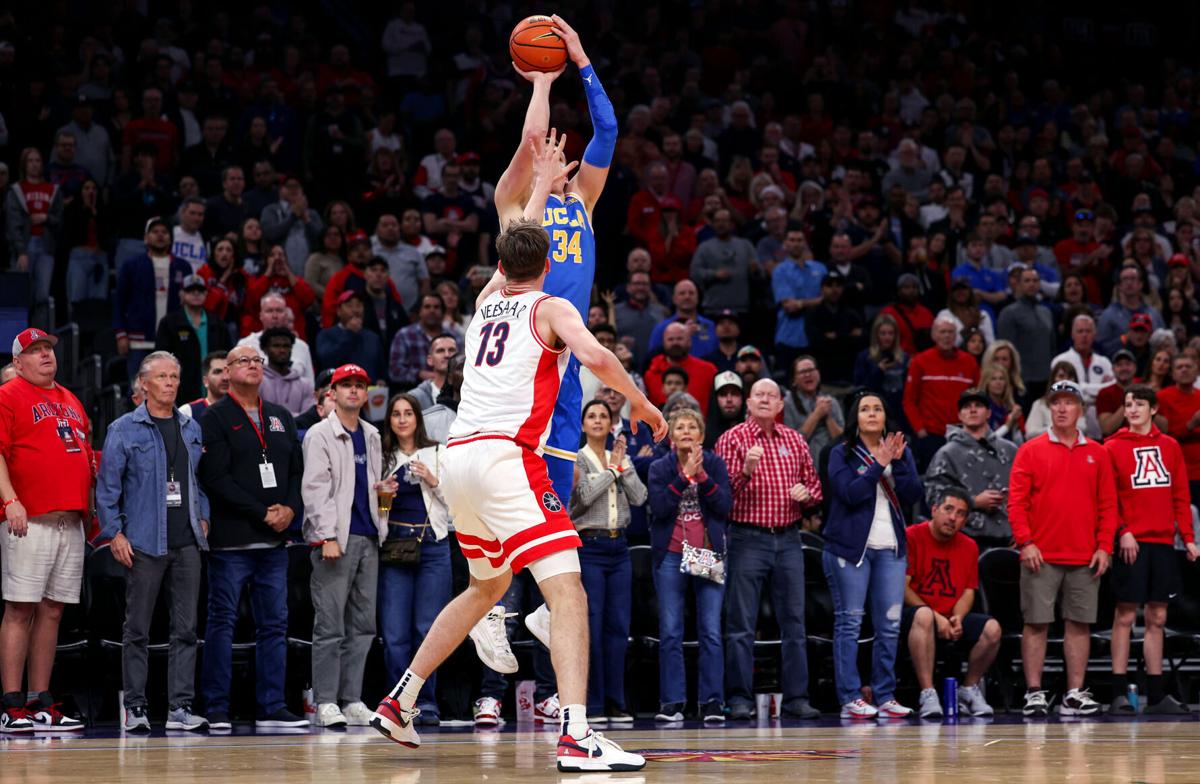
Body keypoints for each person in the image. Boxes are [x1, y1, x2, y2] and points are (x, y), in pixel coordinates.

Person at [371, 136, 663, 773]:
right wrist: (640, 403)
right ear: (551, 259)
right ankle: (578, 734)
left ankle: (401, 699)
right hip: (509, 458)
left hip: (459, 462)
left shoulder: (482, 302)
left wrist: (539, 183)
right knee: (569, 593)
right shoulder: (553, 306)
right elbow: (598, 357)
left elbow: (519, 240)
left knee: (486, 586)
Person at [479, 15, 616, 513]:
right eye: (541, 153)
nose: (550, 154)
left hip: (568, 351)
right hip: (523, 346)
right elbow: (533, 135)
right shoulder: (512, 202)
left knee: (556, 493)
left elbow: (608, 129)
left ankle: (546, 577)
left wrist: (580, 61)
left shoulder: (583, 201)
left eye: (559, 153)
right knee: (511, 483)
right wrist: (540, 82)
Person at [96, 351, 209, 732]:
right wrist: (114, 533)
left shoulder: (190, 428)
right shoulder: (123, 429)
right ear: (143, 384)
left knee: (187, 630)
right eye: (162, 377)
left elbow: (197, 480)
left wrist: (204, 516)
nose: (171, 383)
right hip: (143, 542)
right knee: (138, 630)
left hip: (187, 541)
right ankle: (136, 707)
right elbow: (107, 489)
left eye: (175, 376)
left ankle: (180, 708)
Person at [197, 344, 308, 730]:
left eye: (257, 361)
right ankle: (215, 708)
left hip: (275, 544)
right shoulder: (214, 418)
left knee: (275, 624)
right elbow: (215, 478)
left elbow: (297, 471)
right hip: (232, 542)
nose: (253, 366)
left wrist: (291, 509)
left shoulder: (279, 417)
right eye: (243, 360)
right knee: (222, 623)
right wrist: (262, 513)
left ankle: (272, 707)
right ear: (226, 372)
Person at [0, 329, 91, 732]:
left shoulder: (71, 400)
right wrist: (9, 500)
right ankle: (11, 703)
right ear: (18, 363)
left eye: (48, 349)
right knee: (20, 607)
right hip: (28, 517)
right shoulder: (9, 395)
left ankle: (40, 700)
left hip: (69, 519)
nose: (45, 355)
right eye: (35, 351)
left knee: (52, 610)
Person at [715, 379, 823, 721]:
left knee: (794, 623)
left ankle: (797, 699)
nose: (765, 399)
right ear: (748, 403)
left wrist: (807, 496)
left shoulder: (794, 439)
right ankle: (740, 698)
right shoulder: (732, 439)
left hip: (789, 538)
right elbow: (720, 496)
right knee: (741, 624)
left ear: (780, 405)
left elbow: (815, 487)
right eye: (758, 394)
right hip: (747, 539)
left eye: (771, 395)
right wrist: (745, 471)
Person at [1008, 380, 1115, 718]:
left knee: (1079, 624)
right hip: (1041, 554)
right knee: (1036, 623)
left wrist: (1104, 546)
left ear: (1081, 410)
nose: (1062, 408)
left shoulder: (1098, 452)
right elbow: (1016, 502)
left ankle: (1073, 693)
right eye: (1056, 403)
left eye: (1069, 402)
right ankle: (1035, 692)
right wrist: (1025, 542)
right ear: (1049, 408)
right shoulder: (1030, 449)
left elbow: (1108, 505)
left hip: (1085, 556)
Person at [823, 391, 923, 720]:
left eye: (877, 408)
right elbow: (849, 494)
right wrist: (878, 464)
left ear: (884, 416)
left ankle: (884, 694)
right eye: (864, 409)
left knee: (890, 626)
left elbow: (913, 495)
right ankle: (850, 695)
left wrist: (896, 463)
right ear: (856, 417)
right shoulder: (841, 453)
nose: (871, 413)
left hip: (891, 548)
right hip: (850, 549)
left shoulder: (899, 452)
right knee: (850, 622)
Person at [302, 364, 389, 728]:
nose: (353, 391)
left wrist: (384, 506)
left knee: (363, 624)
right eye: (346, 385)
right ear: (331, 393)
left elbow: (375, 487)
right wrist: (326, 536)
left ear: (366, 394)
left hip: (369, 537)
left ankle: (352, 698)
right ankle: (325, 701)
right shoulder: (320, 434)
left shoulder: (371, 433)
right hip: (336, 538)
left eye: (359, 385)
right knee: (329, 625)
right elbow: (315, 488)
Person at [1104, 384, 1199, 715]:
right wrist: (1122, 531)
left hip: (1162, 542)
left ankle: (1157, 694)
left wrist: (1188, 539)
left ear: (1153, 409)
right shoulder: (1112, 446)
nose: (1131, 409)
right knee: (1126, 615)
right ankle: (1119, 692)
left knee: (1158, 616)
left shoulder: (1170, 446)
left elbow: (1180, 496)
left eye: (1139, 404)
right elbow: (1107, 498)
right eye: (1128, 404)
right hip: (1131, 541)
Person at [647, 407, 731, 722]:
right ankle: (673, 702)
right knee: (670, 630)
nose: (685, 431)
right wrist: (684, 477)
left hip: (706, 552)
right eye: (679, 426)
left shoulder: (716, 464)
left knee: (710, 630)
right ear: (671, 434)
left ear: (701, 435)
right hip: (670, 553)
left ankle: (711, 701)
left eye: (691, 427)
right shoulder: (659, 467)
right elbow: (659, 507)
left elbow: (724, 506)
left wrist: (703, 476)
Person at [377, 393, 452, 726]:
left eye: (409, 413)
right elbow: (378, 512)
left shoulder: (437, 452)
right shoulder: (382, 454)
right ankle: (397, 703)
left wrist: (433, 481)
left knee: (428, 629)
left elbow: (456, 502)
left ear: (418, 419)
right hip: (394, 546)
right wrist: (382, 497)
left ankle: (426, 702)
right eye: (396, 414)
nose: (403, 419)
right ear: (389, 420)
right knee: (394, 634)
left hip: (433, 546)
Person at [569, 400, 647, 722]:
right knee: (593, 626)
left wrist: (622, 467)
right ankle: (594, 702)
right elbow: (584, 498)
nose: (598, 420)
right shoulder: (577, 459)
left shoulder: (622, 458)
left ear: (611, 423)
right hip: (590, 547)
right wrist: (612, 471)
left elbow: (640, 497)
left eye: (604, 416)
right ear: (583, 425)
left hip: (620, 549)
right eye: (592, 416)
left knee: (618, 627)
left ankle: (617, 699)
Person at [903, 488, 999, 719]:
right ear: (934, 510)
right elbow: (902, 587)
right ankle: (928, 693)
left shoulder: (969, 546)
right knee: (924, 616)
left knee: (992, 629)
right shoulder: (911, 536)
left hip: (948, 615)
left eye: (960, 514)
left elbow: (968, 592)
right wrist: (937, 617)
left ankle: (968, 688)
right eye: (948, 510)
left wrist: (957, 618)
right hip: (915, 617)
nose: (953, 518)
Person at [924, 389, 1019, 549]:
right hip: (966, 537)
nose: (973, 410)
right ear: (960, 415)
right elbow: (933, 497)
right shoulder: (947, 453)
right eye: (967, 407)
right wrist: (973, 502)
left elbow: (1029, 493)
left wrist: (1024, 532)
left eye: (978, 405)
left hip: (1010, 538)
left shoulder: (1010, 450)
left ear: (988, 413)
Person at [115, 217, 193, 379]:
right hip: (139, 341)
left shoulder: (183, 267)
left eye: (164, 232)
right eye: (155, 232)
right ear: (145, 237)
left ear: (171, 238)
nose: (160, 235)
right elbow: (119, 302)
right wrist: (121, 334)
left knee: (171, 389)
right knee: (138, 390)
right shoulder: (131, 265)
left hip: (173, 340)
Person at [902, 317, 981, 470]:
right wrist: (920, 430)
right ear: (934, 335)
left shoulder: (969, 362)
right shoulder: (920, 361)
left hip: (962, 434)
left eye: (950, 332)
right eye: (942, 332)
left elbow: (978, 399)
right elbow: (909, 400)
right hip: (931, 435)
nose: (946, 336)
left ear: (956, 336)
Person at [154, 275, 233, 402]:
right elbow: (161, 359)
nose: (196, 293)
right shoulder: (169, 323)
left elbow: (228, 357)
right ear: (182, 294)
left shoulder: (218, 323)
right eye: (191, 290)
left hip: (215, 391)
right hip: (181, 391)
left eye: (200, 290)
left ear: (206, 294)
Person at [997, 266, 1055, 398]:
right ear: (1019, 284)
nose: (1032, 284)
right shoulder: (1009, 313)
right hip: (1022, 379)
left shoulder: (1046, 312)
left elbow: (1052, 347)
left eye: (1035, 281)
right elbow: (1005, 349)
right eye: (1027, 281)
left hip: (1045, 379)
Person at [238, 292, 316, 388]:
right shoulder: (245, 345)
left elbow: (310, 385)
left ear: (286, 315)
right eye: (269, 311)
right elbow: (240, 383)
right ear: (261, 316)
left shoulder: (302, 347)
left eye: (279, 311)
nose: (275, 316)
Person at [1154, 353, 1200, 507]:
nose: (1184, 370)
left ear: (1197, 371)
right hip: (1181, 471)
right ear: (1173, 374)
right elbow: (1163, 436)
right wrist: (1191, 425)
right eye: (1180, 367)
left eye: (1188, 367)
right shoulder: (1163, 398)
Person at [643, 322, 719, 414]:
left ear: (689, 341)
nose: (675, 343)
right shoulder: (651, 373)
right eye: (670, 339)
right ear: (663, 342)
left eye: (680, 338)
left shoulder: (709, 370)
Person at [689, 208, 755, 313]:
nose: (720, 224)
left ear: (732, 224)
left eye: (724, 221)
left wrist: (755, 270)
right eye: (717, 221)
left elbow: (759, 274)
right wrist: (714, 274)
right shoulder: (705, 247)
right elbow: (694, 273)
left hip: (742, 307)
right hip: (713, 307)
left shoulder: (745, 245)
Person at [782, 355, 845, 460]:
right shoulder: (786, 404)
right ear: (794, 380)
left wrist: (828, 417)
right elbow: (791, 444)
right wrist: (816, 414)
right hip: (801, 463)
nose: (808, 374)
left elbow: (842, 442)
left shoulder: (831, 402)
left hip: (831, 463)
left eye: (811, 370)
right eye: (802, 372)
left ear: (818, 374)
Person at [316, 292, 384, 382]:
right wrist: (349, 333)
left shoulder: (373, 337)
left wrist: (381, 380)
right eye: (349, 306)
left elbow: (382, 370)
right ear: (339, 311)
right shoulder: (326, 335)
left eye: (359, 305)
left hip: (369, 391)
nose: (355, 310)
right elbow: (327, 361)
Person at [389, 293, 447, 389]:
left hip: (448, 392)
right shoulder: (404, 335)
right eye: (427, 307)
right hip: (413, 392)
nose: (432, 310)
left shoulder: (453, 337)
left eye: (436, 307)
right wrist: (419, 374)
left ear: (442, 312)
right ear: (419, 311)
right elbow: (394, 371)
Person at [260, 327, 315, 417]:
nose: (282, 350)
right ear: (265, 349)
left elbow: (308, 418)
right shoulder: (257, 381)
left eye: (286, 346)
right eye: (276, 346)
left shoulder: (305, 384)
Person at [1096, 349, 1139, 436]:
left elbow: (1164, 427)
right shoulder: (1105, 393)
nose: (1124, 368)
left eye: (1128, 364)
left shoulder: (1145, 390)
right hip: (1115, 444)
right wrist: (1129, 401)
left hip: (1142, 442)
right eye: (1119, 365)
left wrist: (1147, 401)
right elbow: (1106, 429)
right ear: (1113, 369)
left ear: (1135, 367)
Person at [409, 334, 459, 410]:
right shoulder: (414, 398)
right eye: (440, 351)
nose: (447, 355)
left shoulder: (470, 393)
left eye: (451, 350)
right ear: (430, 360)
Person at [180, 351, 228, 422]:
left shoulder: (244, 410)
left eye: (228, 371)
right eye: (217, 372)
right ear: (206, 381)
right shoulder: (187, 412)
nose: (225, 378)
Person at [705, 371, 745, 448]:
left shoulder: (753, 433)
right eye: (723, 394)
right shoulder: (704, 436)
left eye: (734, 394)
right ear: (715, 399)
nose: (729, 399)